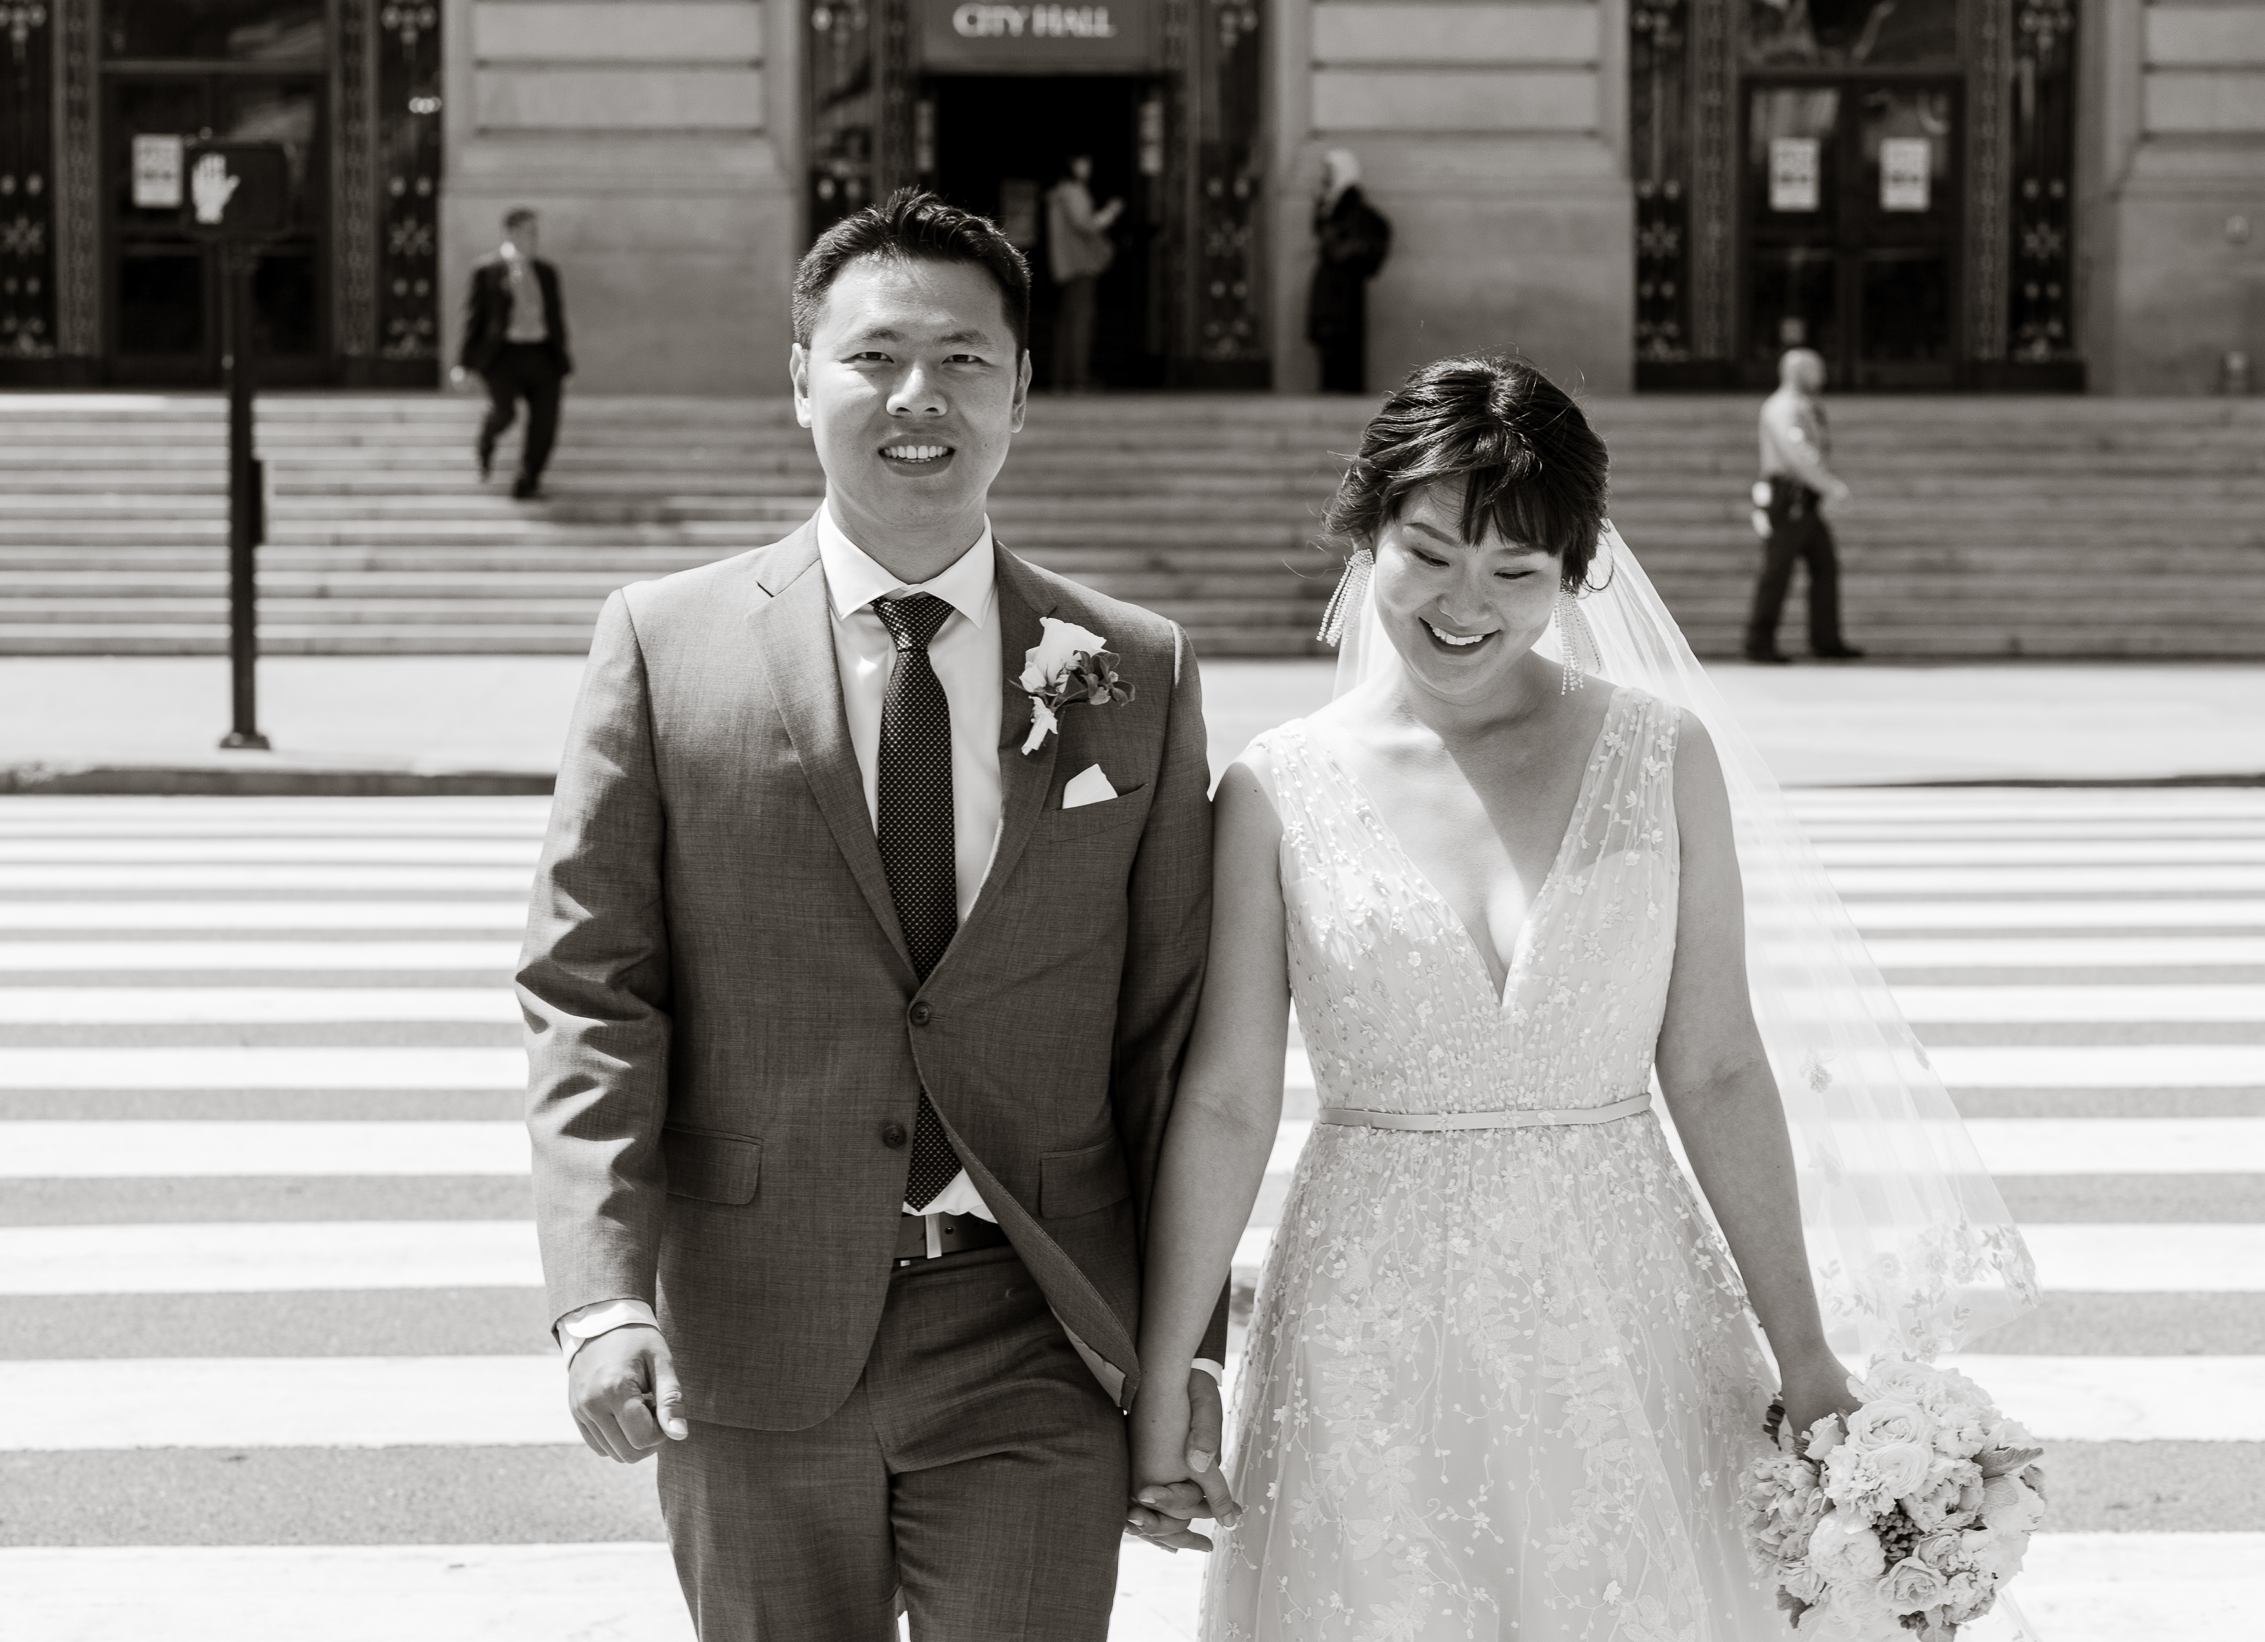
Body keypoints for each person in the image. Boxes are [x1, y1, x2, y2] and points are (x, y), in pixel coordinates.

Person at [1124, 356, 2036, 1638]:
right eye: (1428, 553)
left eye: (1516, 573)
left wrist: (1807, 1351)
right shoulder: (1275, 788)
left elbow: (1715, 1064)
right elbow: (1224, 1098)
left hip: (1631, 1303)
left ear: (1574, 574)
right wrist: (1172, 1368)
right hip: (1367, 1319)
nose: (1463, 603)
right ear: (1365, 532)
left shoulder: (1663, 753)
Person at [518, 187, 1232, 1641]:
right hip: (753, 1335)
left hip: (1033, 1327)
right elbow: (593, 991)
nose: (921, 399)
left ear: (1024, 387)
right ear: (800, 381)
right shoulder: (665, 644)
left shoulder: (1133, 666)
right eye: (875, 357)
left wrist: (1183, 1356)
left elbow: (1167, 1039)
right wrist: (601, 1296)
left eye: (966, 358)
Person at [1746, 346, 1863, 663]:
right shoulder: (1784, 407)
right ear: (1798, 371)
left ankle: (1826, 640)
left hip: (1804, 501)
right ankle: (1760, 642)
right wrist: (1829, 486)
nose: (1823, 375)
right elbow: (1796, 454)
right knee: (1777, 570)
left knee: (1825, 566)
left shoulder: (1803, 405)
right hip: (1788, 499)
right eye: (1817, 369)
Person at [459, 207, 572, 499]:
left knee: (545, 423)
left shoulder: (546, 272)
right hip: (504, 356)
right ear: (510, 232)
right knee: (504, 413)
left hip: (542, 354)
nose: (535, 237)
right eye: (529, 231)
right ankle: (487, 440)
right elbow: (474, 319)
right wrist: (464, 364)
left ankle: (528, 478)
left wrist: (563, 363)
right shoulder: (487, 270)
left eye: (536, 231)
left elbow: (556, 319)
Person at [1307, 149, 1390, 394]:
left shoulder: (1350, 203)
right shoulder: (1329, 201)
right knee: (1327, 334)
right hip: (1330, 281)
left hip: (1344, 285)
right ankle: (1333, 385)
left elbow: (1360, 235)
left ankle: (1344, 386)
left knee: (1342, 336)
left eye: (1329, 171)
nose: (1325, 176)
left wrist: (1348, 248)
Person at [1044, 154, 1123, 392]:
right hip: (1081, 264)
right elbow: (1086, 224)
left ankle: (1063, 378)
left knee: (1068, 322)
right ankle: (1077, 378)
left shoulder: (1058, 193)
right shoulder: (1073, 191)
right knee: (1080, 322)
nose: (1087, 167)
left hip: (1067, 265)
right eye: (1082, 162)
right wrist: (1111, 212)